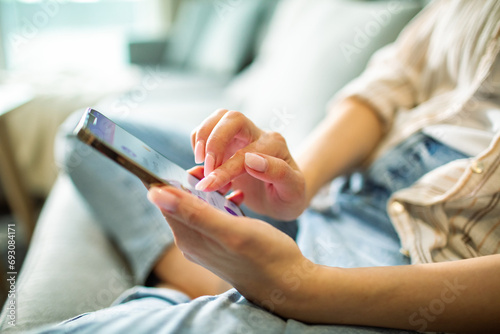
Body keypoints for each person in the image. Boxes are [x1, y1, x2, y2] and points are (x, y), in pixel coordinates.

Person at [39, 0, 500, 332]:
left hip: (413, 258)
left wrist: (305, 290)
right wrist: (299, 185)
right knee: (84, 137)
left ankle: (223, 294)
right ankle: (222, 285)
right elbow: (392, 85)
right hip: (344, 194)